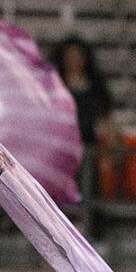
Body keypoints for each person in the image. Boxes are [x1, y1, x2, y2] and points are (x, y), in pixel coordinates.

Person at [49, 36, 112, 204]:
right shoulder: (54, 85)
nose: (74, 61)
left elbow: (106, 117)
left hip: (87, 148)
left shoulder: (96, 87)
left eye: (78, 56)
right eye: (70, 56)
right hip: (60, 148)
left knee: (88, 193)